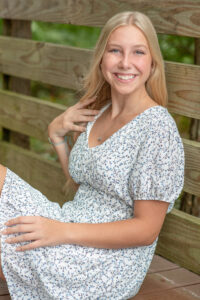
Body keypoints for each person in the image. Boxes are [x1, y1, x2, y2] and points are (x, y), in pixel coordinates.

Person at [0, 11, 184, 300]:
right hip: (69, 223)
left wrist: (60, 232)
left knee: (5, 245)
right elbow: (83, 184)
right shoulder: (98, 112)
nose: (125, 62)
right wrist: (56, 136)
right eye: (115, 50)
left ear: (152, 63)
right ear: (102, 58)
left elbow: (146, 229)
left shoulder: (157, 127)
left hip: (106, 262)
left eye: (138, 52)